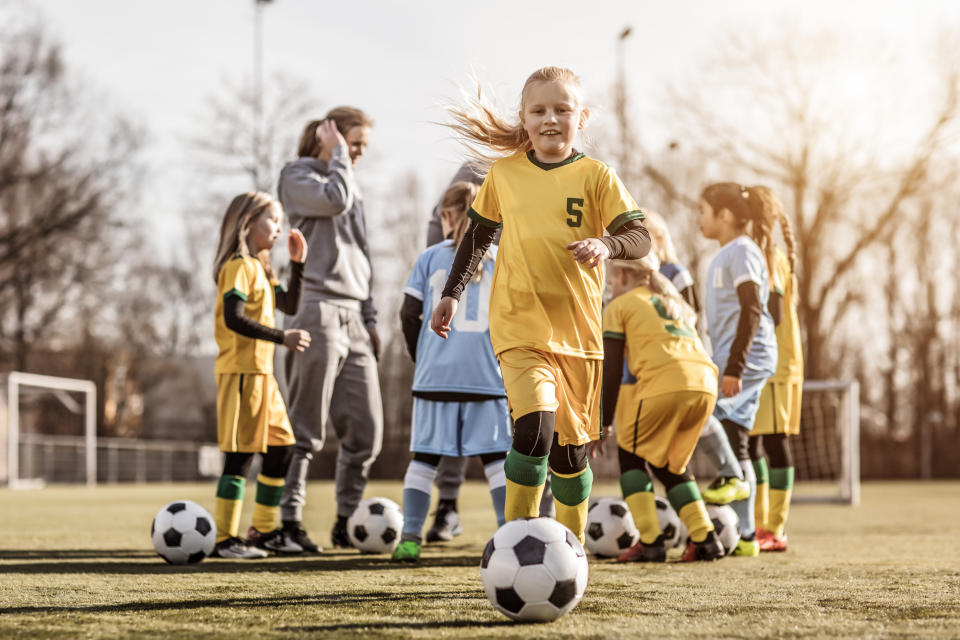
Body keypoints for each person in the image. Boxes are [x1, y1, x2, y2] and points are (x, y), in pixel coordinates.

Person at [430, 66, 651, 543]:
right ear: (525, 119)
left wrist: (606, 245)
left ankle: (571, 550)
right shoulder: (504, 174)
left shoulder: (598, 176)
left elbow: (640, 237)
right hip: (518, 329)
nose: (550, 119)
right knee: (534, 431)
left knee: (570, 458)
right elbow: (476, 238)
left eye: (562, 110)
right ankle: (517, 540)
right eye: (539, 110)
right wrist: (451, 293)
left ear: (581, 117)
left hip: (579, 338)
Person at [422, 164, 555, 542]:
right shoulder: (469, 175)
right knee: (472, 436)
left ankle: (537, 514)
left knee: (527, 427)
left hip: (517, 330)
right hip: (466, 349)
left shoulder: (535, 170)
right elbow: (442, 235)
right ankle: (452, 508)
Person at [278, 107, 382, 552]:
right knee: (306, 429)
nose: (358, 152)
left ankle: (345, 521)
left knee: (367, 432)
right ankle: (286, 521)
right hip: (315, 308)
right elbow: (334, 199)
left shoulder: (349, 182)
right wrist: (339, 154)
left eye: (361, 147)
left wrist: (371, 317)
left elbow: (362, 254)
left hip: (354, 315)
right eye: (353, 142)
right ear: (329, 135)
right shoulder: (297, 176)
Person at [392, 181, 511, 562]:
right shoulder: (501, 258)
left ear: (446, 216)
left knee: (424, 460)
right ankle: (509, 539)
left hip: (435, 376)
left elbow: (408, 315)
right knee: (496, 462)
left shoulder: (430, 258)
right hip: (487, 376)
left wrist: (421, 358)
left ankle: (410, 538)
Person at [596, 255, 725, 562]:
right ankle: (706, 539)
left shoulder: (620, 307)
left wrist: (605, 421)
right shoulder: (673, 303)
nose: (611, 288)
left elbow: (612, 369)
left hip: (666, 385)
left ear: (625, 275)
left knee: (630, 455)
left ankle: (651, 543)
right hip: (705, 385)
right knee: (670, 465)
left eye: (612, 281)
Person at [210, 191, 312, 558]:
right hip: (241, 372)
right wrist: (282, 337)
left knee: (282, 448)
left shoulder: (261, 267)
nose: (278, 227)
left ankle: (263, 532)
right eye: (272, 219)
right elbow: (232, 318)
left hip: (263, 376)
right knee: (239, 457)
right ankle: (224, 539)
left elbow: (290, 304)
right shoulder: (237, 265)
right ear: (247, 222)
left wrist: (297, 264)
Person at [697, 182, 781, 556]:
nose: (698, 219)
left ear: (724, 215)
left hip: (747, 359)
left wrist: (734, 367)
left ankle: (732, 477)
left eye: (702, 211)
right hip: (731, 360)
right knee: (735, 437)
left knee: (705, 416)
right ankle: (746, 537)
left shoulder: (744, 252)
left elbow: (751, 310)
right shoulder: (724, 254)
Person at [750, 218, 802, 552]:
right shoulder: (758, 254)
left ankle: (775, 529)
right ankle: (758, 525)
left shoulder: (770, 257)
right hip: (761, 362)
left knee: (773, 440)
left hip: (777, 362)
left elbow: (775, 312)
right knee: (752, 442)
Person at [643, 210, 699, 311]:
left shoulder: (677, 273)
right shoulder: (633, 276)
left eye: (641, 239)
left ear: (659, 239)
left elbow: (692, 313)